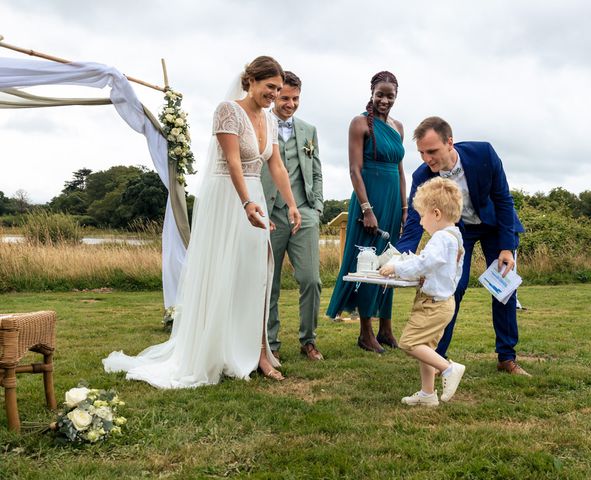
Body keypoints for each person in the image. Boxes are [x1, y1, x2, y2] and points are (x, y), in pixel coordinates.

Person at [103, 56, 302, 388]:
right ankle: (217, 350)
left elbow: (276, 166)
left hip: (255, 199)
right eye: (270, 87)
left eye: (279, 89)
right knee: (226, 272)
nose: (274, 94)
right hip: (229, 199)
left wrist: (292, 204)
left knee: (257, 276)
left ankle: (259, 353)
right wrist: (246, 202)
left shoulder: (268, 119)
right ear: (251, 81)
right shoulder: (227, 110)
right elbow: (234, 161)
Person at [396, 116, 530, 376]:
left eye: (432, 151)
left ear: (449, 143)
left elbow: (503, 200)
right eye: (422, 152)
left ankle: (507, 357)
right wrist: (402, 255)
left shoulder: (484, 153)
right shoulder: (422, 175)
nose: (427, 159)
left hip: (495, 227)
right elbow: (414, 219)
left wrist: (506, 246)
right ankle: (438, 359)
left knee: (504, 291)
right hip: (460, 231)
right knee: (451, 288)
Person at [326, 71, 406, 353]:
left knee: (390, 262)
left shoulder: (398, 127)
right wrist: (367, 208)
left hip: (393, 201)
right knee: (367, 265)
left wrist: (405, 207)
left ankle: (386, 328)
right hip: (368, 200)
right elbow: (354, 169)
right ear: (372, 92)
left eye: (390, 96)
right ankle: (365, 332)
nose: (384, 100)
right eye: (380, 94)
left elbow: (399, 169)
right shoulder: (359, 123)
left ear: (396, 96)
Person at [379, 177, 466, 405]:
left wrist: (395, 267)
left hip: (433, 304)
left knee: (409, 342)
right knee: (426, 346)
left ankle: (448, 368)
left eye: (422, 216)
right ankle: (428, 394)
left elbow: (423, 264)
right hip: (443, 302)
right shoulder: (455, 236)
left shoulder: (440, 238)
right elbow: (435, 267)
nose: (420, 223)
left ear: (436, 213)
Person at [261, 71, 324, 361]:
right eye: (285, 97)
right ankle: (269, 342)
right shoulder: (260, 125)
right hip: (270, 213)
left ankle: (308, 340)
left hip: (305, 213)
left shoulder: (309, 129)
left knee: (311, 279)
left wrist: (318, 208)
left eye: (295, 98)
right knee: (268, 282)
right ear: (275, 96)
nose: (290, 103)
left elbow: (316, 171)